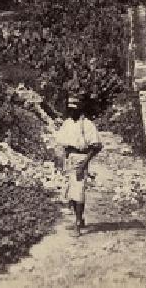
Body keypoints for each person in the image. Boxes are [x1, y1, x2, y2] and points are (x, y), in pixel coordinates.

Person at [55, 95, 102, 236]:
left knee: (79, 192)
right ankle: (79, 219)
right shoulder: (68, 123)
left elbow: (97, 146)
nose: (71, 111)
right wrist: (59, 160)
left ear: (80, 108)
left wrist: (84, 164)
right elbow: (61, 143)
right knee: (71, 192)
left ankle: (77, 225)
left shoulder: (87, 125)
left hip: (80, 159)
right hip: (69, 159)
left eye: (74, 109)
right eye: (69, 109)